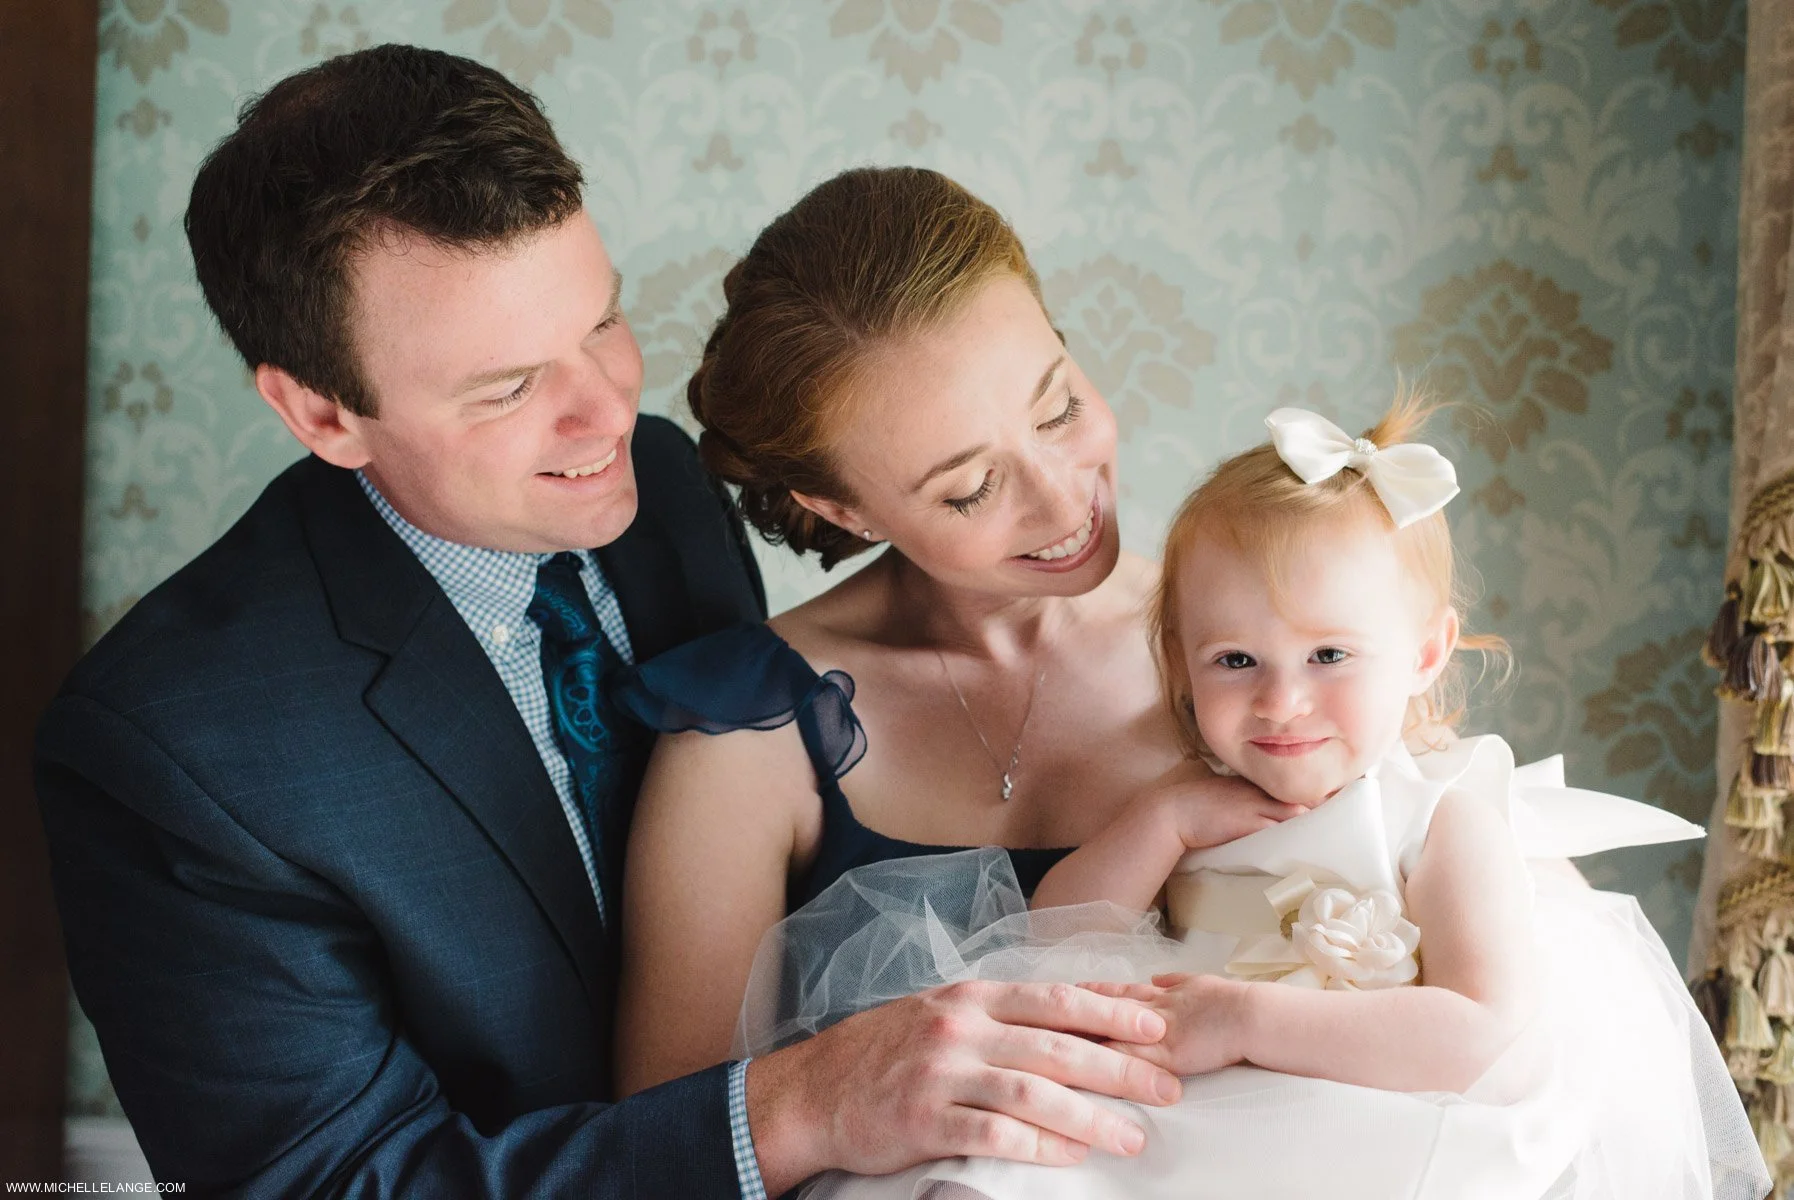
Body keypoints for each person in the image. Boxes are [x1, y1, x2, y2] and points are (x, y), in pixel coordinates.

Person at [32, 47, 1185, 1198]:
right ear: (323, 413)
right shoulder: (177, 753)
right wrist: (803, 1104)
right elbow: (324, 1183)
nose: (607, 412)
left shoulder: (660, 492)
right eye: (508, 387)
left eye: (603, 321)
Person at [728, 401, 1771, 1199]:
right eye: (1235, 660)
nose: (1280, 701)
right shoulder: (1188, 797)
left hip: (1355, 1112)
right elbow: (1050, 938)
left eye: (1330, 655)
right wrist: (1158, 827)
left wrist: (1245, 1020)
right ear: (1179, 663)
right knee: (986, 1175)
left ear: (1424, 653)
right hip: (1181, 1103)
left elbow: (1482, 1032)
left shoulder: (1443, 813)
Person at [611, 165, 1300, 1101]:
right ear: (844, 510)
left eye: (1059, 408)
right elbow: (670, 1137)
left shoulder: (1278, 643)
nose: (1064, 499)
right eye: (970, 488)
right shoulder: (749, 728)